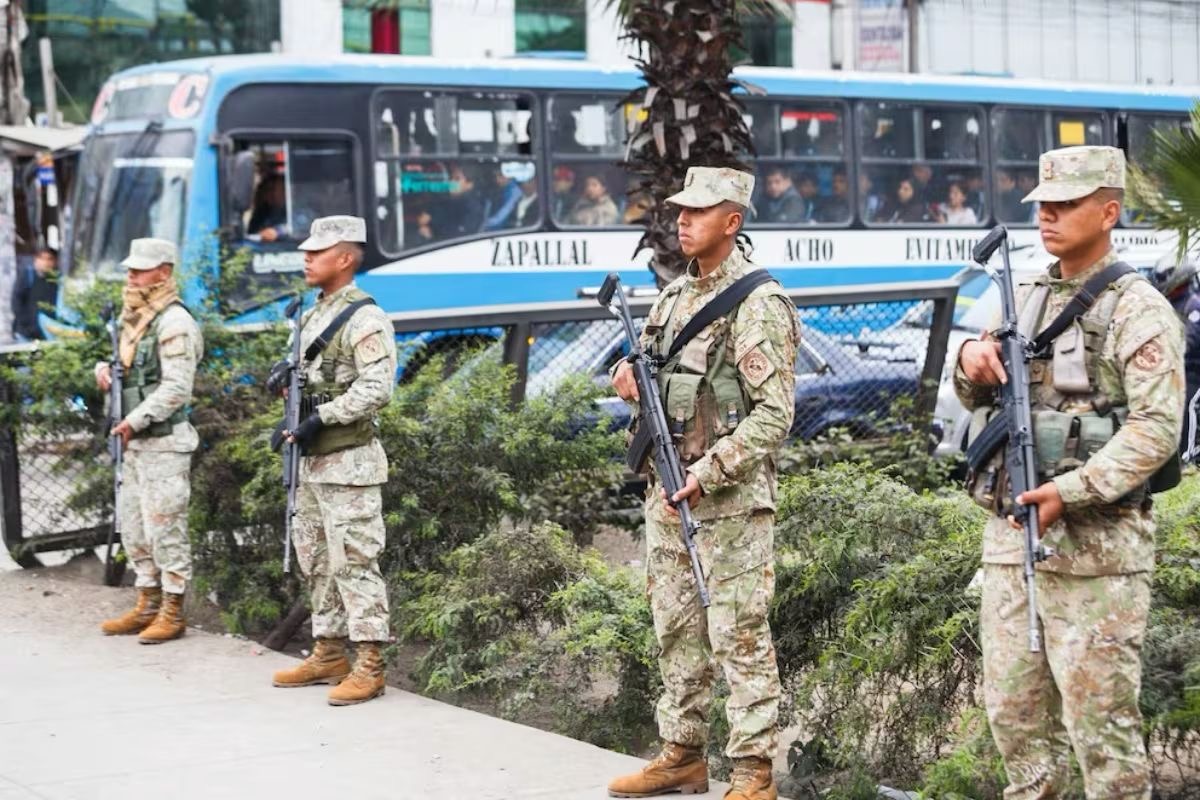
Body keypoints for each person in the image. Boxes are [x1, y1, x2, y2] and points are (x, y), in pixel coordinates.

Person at [956, 146, 1185, 799]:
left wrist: (1070, 490)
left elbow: (1156, 429)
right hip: (1011, 545)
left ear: (1109, 212)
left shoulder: (1137, 308)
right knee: (1014, 720)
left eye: (1066, 204)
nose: (1048, 216)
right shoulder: (1021, 296)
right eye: (1043, 205)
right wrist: (970, 359)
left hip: (1098, 559)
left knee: (1102, 733)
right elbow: (972, 393)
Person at [607, 166, 799, 800]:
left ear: (732, 222)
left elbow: (775, 415)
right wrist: (626, 374)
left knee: (739, 636)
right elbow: (651, 366)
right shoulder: (672, 296)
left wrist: (709, 470)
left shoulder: (758, 303)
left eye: (698, 211)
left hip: (730, 504)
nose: (682, 220)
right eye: (681, 210)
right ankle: (683, 754)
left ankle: (753, 772)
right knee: (675, 629)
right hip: (667, 492)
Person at [268, 216, 397, 707]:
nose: (306, 259)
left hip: (349, 463)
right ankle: (328, 651)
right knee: (317, 560)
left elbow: (376, 388)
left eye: (317, 252)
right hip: (313, 461)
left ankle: (370, 664)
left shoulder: (365, 317)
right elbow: (316, 378)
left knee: (355, 562)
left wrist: (321, 417)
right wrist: (287, 389)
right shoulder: (315, 313)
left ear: (344, 258)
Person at [96, 239, 204, 645]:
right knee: (136, 529)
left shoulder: (174, 322)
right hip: (136, 444)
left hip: (164, 443)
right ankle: (146, 603)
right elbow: (134, 372)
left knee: (166, 529)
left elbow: (177, 387)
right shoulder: (137, 319)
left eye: (140, 270)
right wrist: (106, 370)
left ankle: (173, 611)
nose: (131, 276)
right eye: (130, 269)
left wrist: (134, 420)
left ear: (164, 272)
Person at [12, 247, 58, 341]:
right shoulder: (27, 276)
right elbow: (16, 302)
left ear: (55, 262)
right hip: (26, 333)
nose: (45, 262)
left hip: (48, 334)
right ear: (35, 260)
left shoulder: (57, 281)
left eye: (49, 259)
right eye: (41, 258)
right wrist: (26, 324)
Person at [248, 175, 288, 241]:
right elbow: (252, 234)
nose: (269, 193)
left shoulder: (293, 211)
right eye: (266, 190)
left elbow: (297, 228)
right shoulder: (261, 213)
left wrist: (277, 232)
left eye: (272, 189)